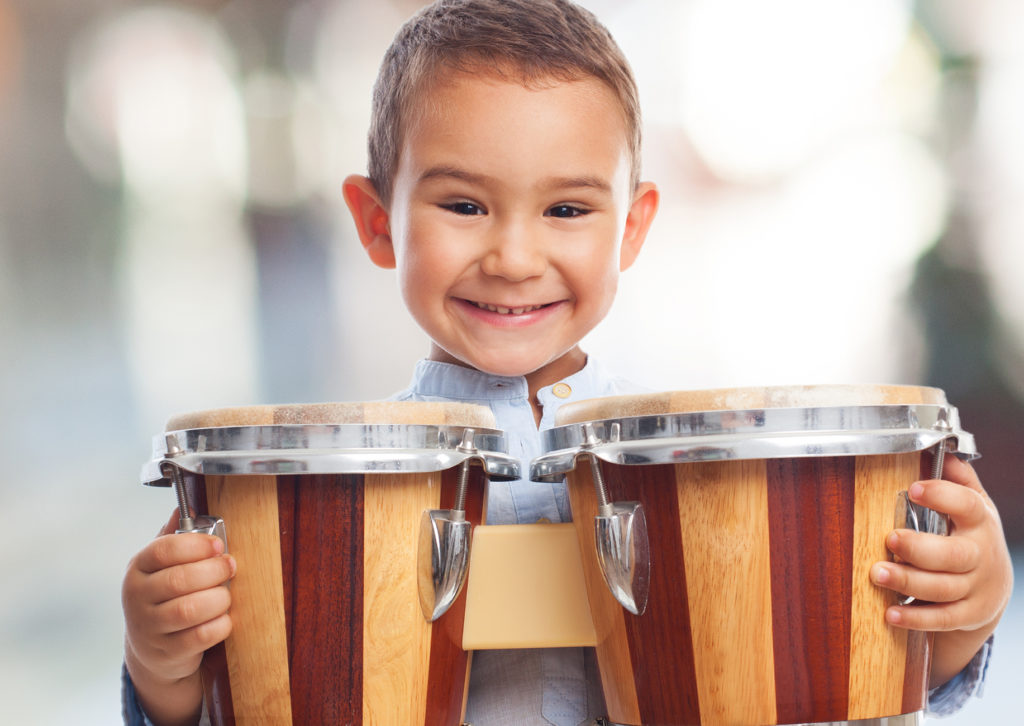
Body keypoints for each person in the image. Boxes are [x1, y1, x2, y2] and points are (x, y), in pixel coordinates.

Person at [121, 1, 1013, 724]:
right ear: (375, 221)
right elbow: (228, 698)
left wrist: (967, 609)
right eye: (465, 204)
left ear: (631, 227)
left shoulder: (693, 453)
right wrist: (161, 657)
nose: (514, 257)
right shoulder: (319, 488)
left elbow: (862, 675)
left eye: (567, 211)